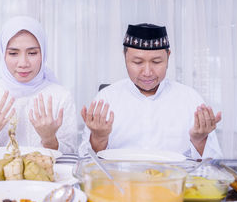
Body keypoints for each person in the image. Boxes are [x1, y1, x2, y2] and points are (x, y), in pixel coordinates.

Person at [79, 23, 222, 159]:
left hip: (173, 183)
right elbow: (85, 163)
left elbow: (213, 165)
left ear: (168, 57)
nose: (147, 72)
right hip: (119, 182)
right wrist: (99, 138)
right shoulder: (106, 98)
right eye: (137, 62)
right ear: (125, 57)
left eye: (156, 62)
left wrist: (199, 141)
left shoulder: (191, 100)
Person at [0, 16, 77, 155]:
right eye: (13, 53)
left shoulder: (61, 96)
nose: (23, 63)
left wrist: (49, 140)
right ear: (3, 54)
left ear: (43, 54)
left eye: (32, 53)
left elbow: (71, 155)